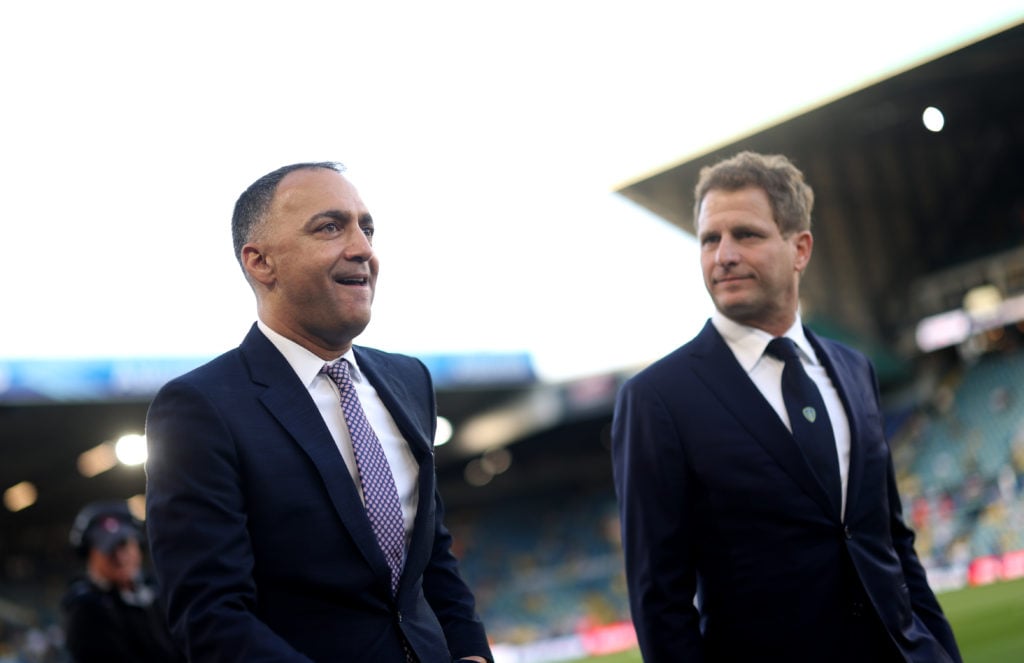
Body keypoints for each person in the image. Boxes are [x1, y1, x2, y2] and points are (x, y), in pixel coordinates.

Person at [611, 151, 963, 662]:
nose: (723, 255)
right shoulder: (656, 399)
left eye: (746, 235)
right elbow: (658, 599)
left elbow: (891, 541)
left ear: (800, 249)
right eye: (710, 239)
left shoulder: (854, 369)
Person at [144, 162, 491, 662]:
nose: (362, 249)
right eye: (330, 227)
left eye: (366, 228)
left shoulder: (409, 381)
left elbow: (432, 558)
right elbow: (211, 615)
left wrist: (471, 654)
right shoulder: (200, 408)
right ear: (260, 261)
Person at [62, 500, 182, 662]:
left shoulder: (154, 591)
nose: (120, 556)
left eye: (125, 544)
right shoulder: (86, 608)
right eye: (110, 548)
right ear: (90, 554)